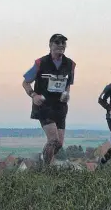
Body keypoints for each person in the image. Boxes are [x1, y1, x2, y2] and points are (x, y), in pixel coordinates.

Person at [22, 34, 76, 165]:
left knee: (59, 143)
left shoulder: (71, 64)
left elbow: (68, 84)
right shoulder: (40, 63)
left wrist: (66, 94)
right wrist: (34, 95)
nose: (61, 45)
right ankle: (46, 169)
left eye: (63, 43)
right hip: (43, 105)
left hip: (60, 106)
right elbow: (26, 83)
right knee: (53, 140)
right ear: (50, 45)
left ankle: (43, 159)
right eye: (57, 42)